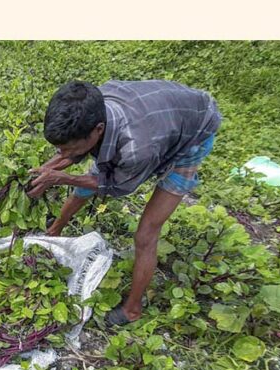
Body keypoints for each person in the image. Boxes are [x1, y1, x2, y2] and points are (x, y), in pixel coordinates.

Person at [27, 80, 222, 327]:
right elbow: (73, 155)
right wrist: (42, 172)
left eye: (70, 148)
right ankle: (54, 230)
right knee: (82, 187)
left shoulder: (136, 149)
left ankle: (132, 309)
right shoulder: (93, 103)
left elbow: (117, 186)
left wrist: (60, 177)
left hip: (194, 131)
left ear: (98, 130)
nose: (63, 154)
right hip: (163, 114)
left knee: (146, 233)